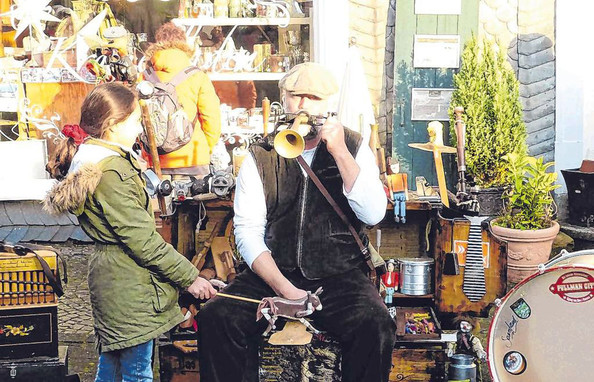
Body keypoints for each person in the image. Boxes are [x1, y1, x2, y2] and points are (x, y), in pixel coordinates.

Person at [198, 62, 396, 382]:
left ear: (329, 104)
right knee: (216, 319)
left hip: (339, 275)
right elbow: (248, 232)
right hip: (273, 273)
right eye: (296, 96)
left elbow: (373, 214)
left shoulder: (355, 146)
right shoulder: (261, 154)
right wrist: (284, 289)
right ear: (284, 100)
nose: (303, 105)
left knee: (376, 326)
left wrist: (341, 152)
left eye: (313, 97)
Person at [43, 83, 216, 381]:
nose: (139, 129)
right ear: (113, 125)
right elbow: (143, 241)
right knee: (138, 372)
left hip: (117, 277)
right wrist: (190, 278)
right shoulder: (110, 171)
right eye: (135, 121)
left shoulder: (95, 159)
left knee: (111, 366)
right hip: (127, 282)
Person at [144, 22, 221, 176]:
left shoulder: (145, 77)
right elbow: (212, 119)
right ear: (184, 44)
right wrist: (205, 148)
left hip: (156, 161)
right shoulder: (197, 76)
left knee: (160, 200)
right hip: (193, 157)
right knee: (196, 200)